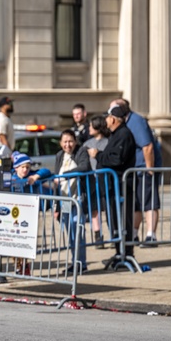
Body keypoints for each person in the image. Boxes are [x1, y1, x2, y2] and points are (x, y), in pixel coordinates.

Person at [89, 105, 138, 268]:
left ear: (113, 119)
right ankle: (119, 252)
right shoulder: (116, 135)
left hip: (122, 185)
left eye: (108, 117)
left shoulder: (124, 134)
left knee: (123, 221)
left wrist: (98, 155)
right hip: (113, 186)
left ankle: (126, 254)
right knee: (115, 222)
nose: (105, 120)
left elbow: (117, 159)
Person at [110, 98, 163, 247]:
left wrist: (149, 169)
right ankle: (133, 234)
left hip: (144, 168)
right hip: (134, 170)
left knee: (148, 202)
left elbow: (147, 146)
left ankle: (150, 235)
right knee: (136, 204)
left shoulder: (136, 121)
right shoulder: (125, 123)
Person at [9, 151, 53, 276]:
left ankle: (24, 265)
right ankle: (18, 265)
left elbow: (47, 171)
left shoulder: (32, 176)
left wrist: (36, 176)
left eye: (28, 167)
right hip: (13, 214)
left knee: (27, 241)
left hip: (29, 214)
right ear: (16, 167)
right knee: (14, 242)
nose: (25, 170)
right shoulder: (11, 177)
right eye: (23, 167)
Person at [52, 130, 90, 274]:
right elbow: (56, 180)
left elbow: (84, 167)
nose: (68, 145)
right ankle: (74, 262)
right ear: (61, 143)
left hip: (78, 198)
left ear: (75, 141)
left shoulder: (81, 152)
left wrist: (65, 175)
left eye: (70, 141)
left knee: (78, 229)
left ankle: (81, 263)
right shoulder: (59, 156)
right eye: (65, 142)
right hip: (65, 199)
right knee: (70, 231)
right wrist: (56, 206)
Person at [81, 114, 111, 247]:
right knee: (94, 209)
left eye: (91, 126)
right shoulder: (87, 144)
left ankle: (113, 234)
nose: (89, 128)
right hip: (91, 181)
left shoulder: (108, 142)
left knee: (109, 208)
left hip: (105, 180)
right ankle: (97, 235)